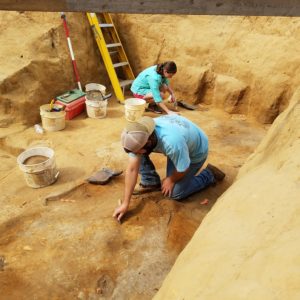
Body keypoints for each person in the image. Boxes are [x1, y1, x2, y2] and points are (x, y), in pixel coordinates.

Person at [113, 115, 225, 222]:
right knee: (137, 155)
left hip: (195, 151)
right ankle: (150, 182)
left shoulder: (172, 143)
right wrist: (125, 204)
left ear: (148, 141)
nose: (136, 154)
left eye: (139, 150)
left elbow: (183, 168)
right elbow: (132, 169)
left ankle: (209, 174)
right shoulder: (138, 134)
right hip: (182, 138)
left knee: (175, 193)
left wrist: (171, 179)